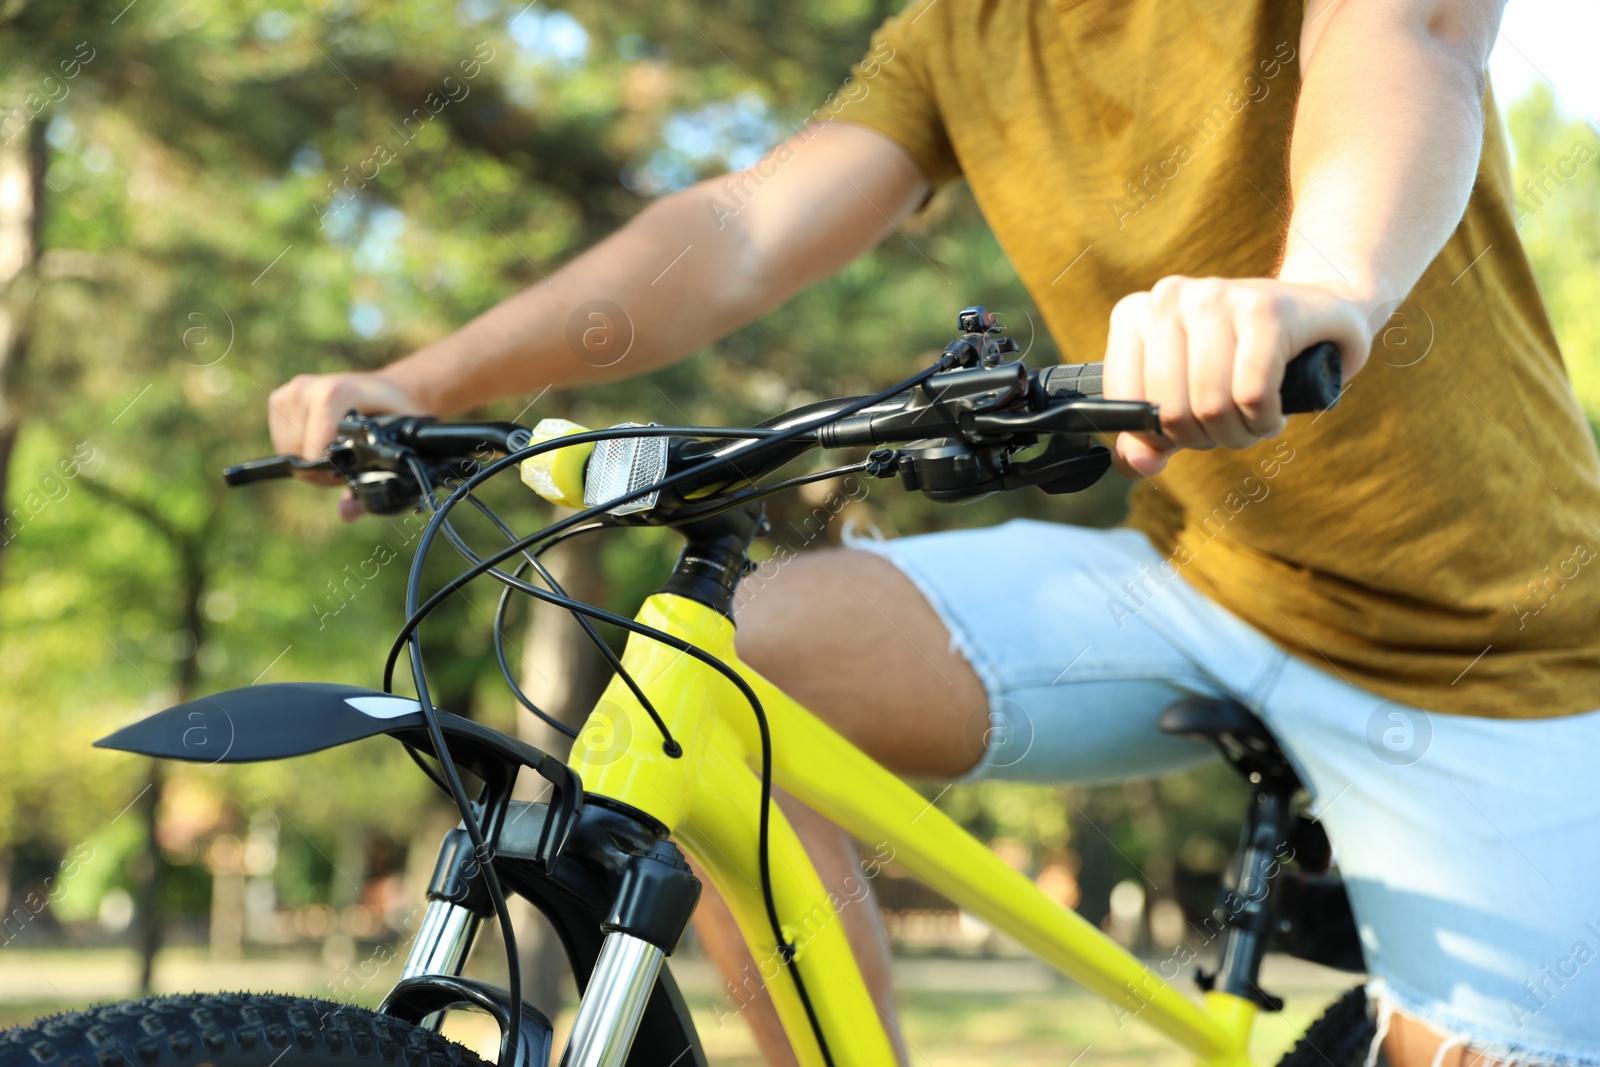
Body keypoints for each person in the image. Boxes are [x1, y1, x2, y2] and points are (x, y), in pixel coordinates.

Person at [268, 0, 1600, 1063]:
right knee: (721, 680)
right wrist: (428, 384)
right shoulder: (963, 31)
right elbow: (735, 234)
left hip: (1497, 645)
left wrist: (1325, 287)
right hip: (1206, 573)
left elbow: (1405, 36)